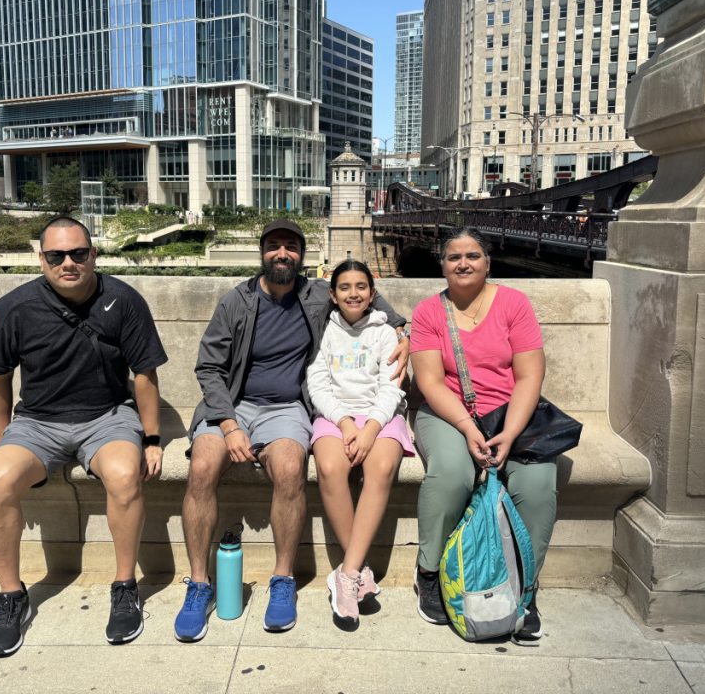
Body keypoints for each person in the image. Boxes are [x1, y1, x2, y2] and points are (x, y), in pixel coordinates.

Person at [173, 220, 410, 642]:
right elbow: (208, 367)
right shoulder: (237, 301)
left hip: (285, 408)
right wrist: (228, 424)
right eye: (274, 246)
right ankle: (198, 584)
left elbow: (369, 299)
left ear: (301, 255)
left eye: (291, 247)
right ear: (262, 252)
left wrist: (401, 330)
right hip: (232, 405)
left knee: (288, 468)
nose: (282, 254)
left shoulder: (315, 293)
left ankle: (283, 580)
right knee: (203, 467)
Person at [0, 216, 168, 657]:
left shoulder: (123, 300)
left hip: (107, 416)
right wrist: (0, 441)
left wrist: (153, 439)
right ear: (40, 258)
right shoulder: (13, 307)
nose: (68, 263)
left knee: (125, 476)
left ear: (93, 255)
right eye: (56, 255)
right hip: (37, 421)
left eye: (78, 253)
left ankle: (124, 588)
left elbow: (144, 374)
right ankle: (11, 596)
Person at [409, 227, 554, 646]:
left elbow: (530, 375)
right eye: (454, 257)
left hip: (509, 415)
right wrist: (470, 428)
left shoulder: (514, 304)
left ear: (488, 262)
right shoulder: (428, 313)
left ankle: (524, 589)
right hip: (447, 414)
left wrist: (509, 433)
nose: (464, 263)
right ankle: (430, 572)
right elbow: (431, 382)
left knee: (537, 484)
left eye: (473, 255)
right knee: (452, 473)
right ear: (443, 266)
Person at [306, 260, 414, 627]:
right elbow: (317, 384)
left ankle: (346, 573)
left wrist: (370, 429)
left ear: (373, 293)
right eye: (345, 287)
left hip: (381, 416)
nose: (354, 293)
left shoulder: (386, 334)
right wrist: (344, 421)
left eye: (362, 287)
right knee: (331, 467)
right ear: (333, 295)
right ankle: (360, 569)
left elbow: (391, 386)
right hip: (336, 415)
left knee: (380, 467)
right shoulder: (323, 331)